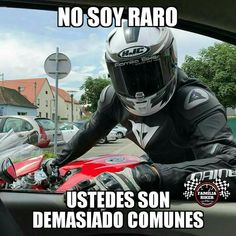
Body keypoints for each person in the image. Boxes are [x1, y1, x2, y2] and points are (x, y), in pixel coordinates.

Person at [45, 23, 236, 198]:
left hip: (194, 189)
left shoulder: (194, 99)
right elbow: (90, 132)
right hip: (157, 175)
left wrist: (151, 175)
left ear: (171, 60)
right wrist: (57, 161)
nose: (138, 88)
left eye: (149, 72)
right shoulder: (112, 98)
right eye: (127, 75)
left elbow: (230, 163)